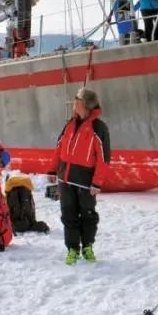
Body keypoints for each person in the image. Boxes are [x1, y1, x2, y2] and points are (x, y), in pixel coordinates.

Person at [48, 87, 111, 264]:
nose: (74, 102)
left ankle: (88, 247)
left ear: (85, 104)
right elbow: (59, 147)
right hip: (65, 178)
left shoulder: (99, 128)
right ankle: (72, 249)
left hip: (85, 181)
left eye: (77, 99)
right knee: (68, 215)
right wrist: (53, 170)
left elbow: (104, 158)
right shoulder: (70, 124)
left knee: (88, 215)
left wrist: (97, 183)